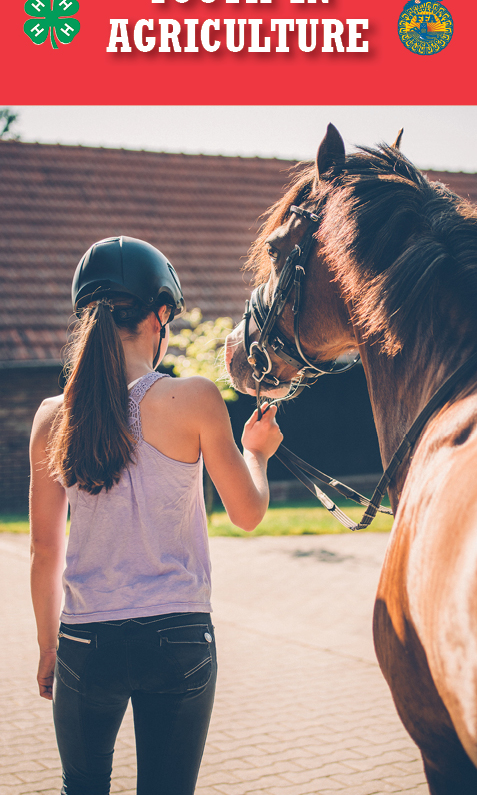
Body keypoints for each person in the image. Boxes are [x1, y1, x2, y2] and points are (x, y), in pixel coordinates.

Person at [29, 235, 282, 795]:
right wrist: (256, 454)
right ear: (160, 314)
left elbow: (44, 550)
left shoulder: (52, 418)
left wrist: (50, 647)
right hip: (179, 637)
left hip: (85, 642)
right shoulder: (193, 398)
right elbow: (247, 512)